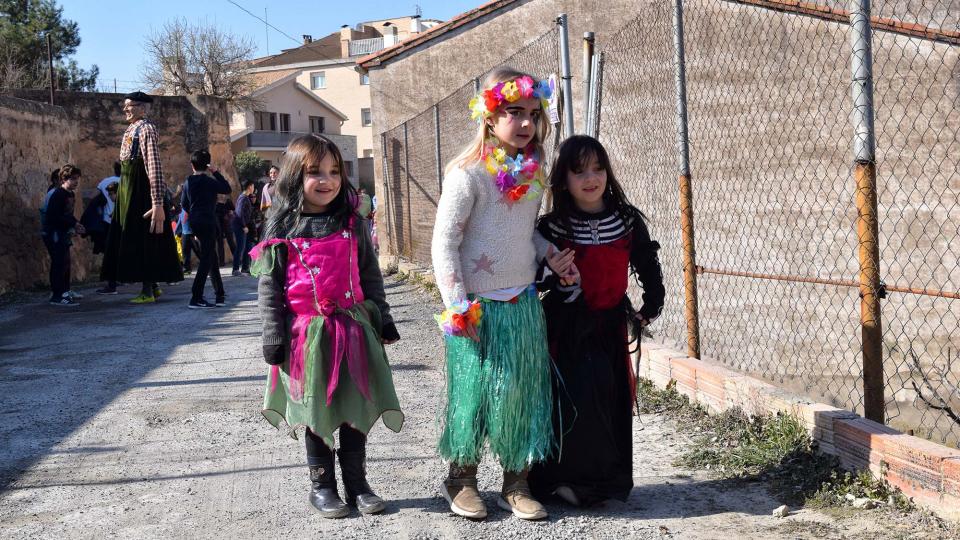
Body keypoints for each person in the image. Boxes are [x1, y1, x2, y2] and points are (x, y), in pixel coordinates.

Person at [430, 67, 565, 521]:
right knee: (474, 397)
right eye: (514, 112)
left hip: (522, 303)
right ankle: (461, 478)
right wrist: (457, 308)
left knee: (517, 394)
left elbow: (524, 234)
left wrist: (550, 254)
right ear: (489, 116)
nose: (526, 123)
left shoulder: (534, 172)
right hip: (476, 310)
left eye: (533, 113)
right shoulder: (467, 176)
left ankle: (516, 480)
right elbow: (444, 244)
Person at [252, 134, 403, 518]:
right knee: (316, 411)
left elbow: (370, 276)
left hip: (354, 331)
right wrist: (273, 335)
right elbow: (269, 288)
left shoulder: (351, 224)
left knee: (355, 404)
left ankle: (358, 484)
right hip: (307, 338)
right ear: (292, 177)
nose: (327, 180)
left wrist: (382, 317)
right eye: (315, 172)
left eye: (335, 171)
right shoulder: (281, 229)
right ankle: (322, 487)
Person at [528, 135, 665, 507]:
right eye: (579, 171)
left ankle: (603, 481)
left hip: (609, 326)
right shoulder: (552, 228)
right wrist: (555, 277)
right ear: (563, 180)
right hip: (567, 329)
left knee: (610, 397)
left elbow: (645, 262)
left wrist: (651, 302)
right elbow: (534, 276)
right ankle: (564, 480)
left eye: (598, 168)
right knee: (576, 398)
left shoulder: (626, 219)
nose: (591, 178)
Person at [100, 91, 183, 303]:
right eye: (125, 105)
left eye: (130, 105)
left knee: (144, 238)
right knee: (135, 237)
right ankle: (152, 287)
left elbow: (153, 166)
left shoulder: (146, 129)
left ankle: (147, 290)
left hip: (140, 192)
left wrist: (157, 202)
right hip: (129, 191)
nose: (125, 109)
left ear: (143, 108)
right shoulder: (131, 129)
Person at [181, 149, 232, 309]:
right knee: (207, 259)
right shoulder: (209, 181)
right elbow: (226, 188)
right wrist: (215, 172)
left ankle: (220, 295)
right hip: (209, 221)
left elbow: (184, 204)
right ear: (207, 165)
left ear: (192, 165)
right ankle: (196, 296)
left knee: (211, 257)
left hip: (195, 222)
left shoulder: (188, 181)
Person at [43, 165, 86, 306]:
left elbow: (68, 215)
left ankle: (64, 292)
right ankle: (57, 296)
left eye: (77, 179)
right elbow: (54, 216)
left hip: (63, 233)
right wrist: (72, 224)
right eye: (73, 179)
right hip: (54, 233)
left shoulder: (70, 194)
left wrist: (76, 223)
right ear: (64, 179)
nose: (76, 182)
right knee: (58, 263)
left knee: (65, 263)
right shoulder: (58, 194)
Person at [231, 180, 256, 276]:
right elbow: (239, 213)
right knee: (240, 247)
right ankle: (235, 269)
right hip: (240, 226)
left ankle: (245, 268)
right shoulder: (243, 198)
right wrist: (244, 226)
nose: (253, 188)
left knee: (247, 247)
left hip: (245, 226)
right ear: (250, 187)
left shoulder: (246, 198)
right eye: (253, 186)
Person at [215, 193, 236, 268]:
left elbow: (233, 210)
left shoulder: (228, 201)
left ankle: (236, 259)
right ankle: (221, 262)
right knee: (220, 242)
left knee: (231, 241)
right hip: (218, 225)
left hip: (227, 223)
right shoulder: (215, 202)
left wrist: (231, 212)